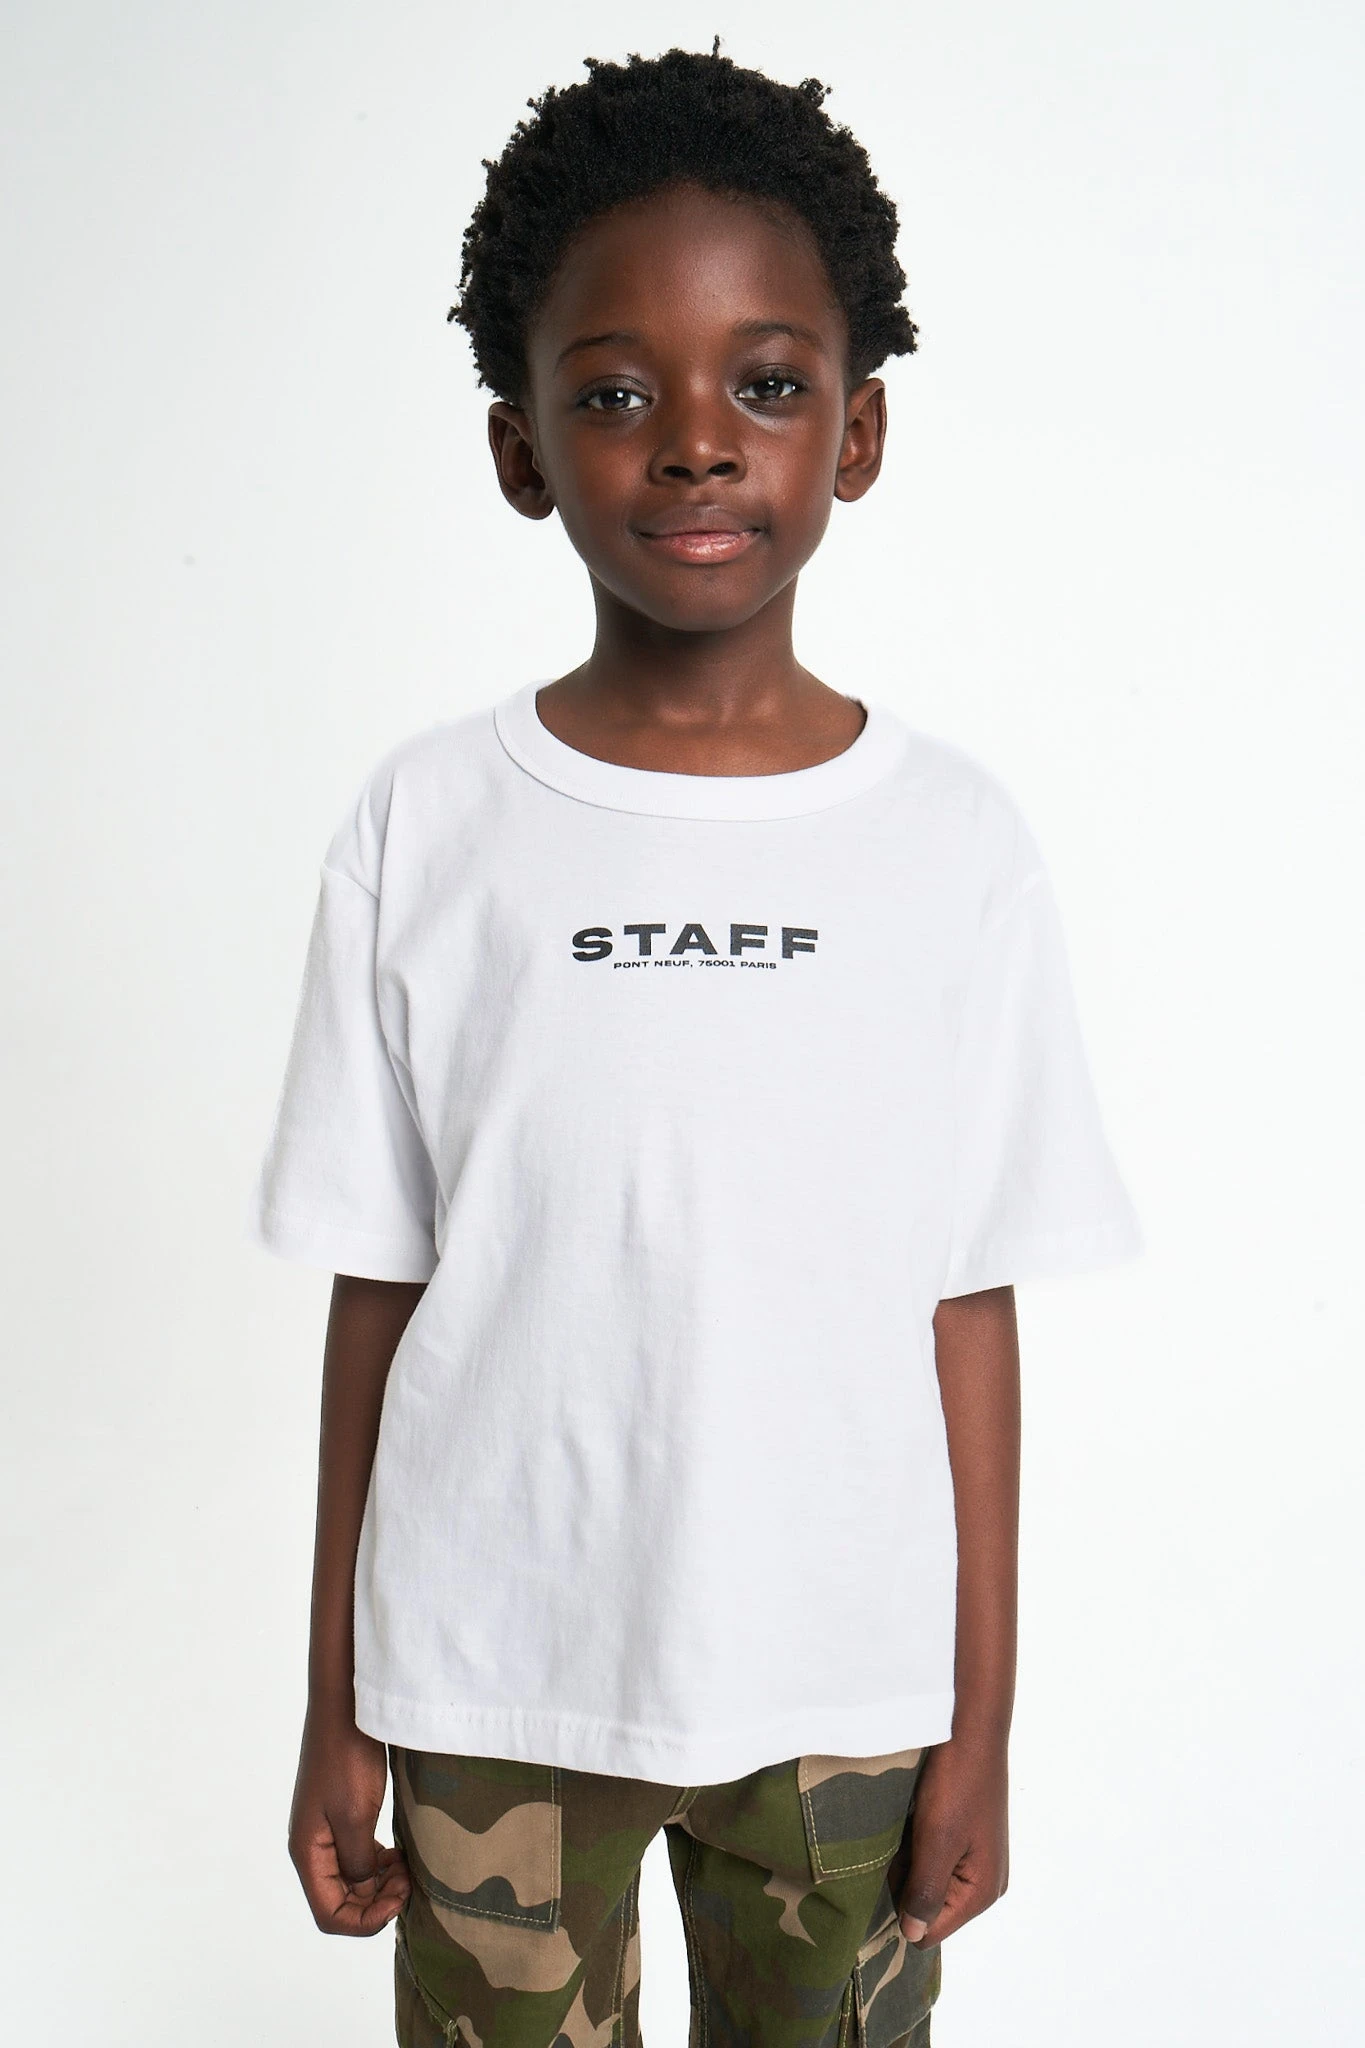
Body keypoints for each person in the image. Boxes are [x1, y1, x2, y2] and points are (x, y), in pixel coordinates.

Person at [248, 44, 1142, 2048]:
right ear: (518, 448)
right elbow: (378, 1291)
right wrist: (335, 1701)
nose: (695, 446)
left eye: (766, 382)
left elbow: (967, 1301)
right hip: (490, 1679)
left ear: (859, 429)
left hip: (840, 1700)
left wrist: (980, 1720)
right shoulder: (427, 826)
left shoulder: (950, 844)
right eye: (614, 393)